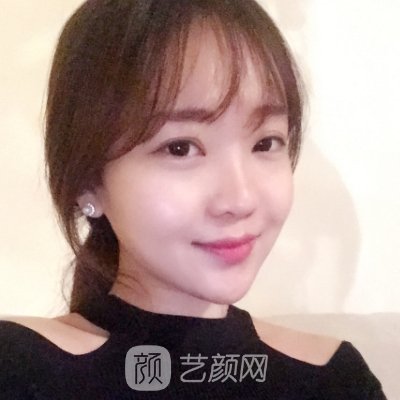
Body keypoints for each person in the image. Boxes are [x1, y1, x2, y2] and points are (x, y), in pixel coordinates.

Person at [0, 0, 387, 398]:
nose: (240, 199)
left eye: (265, 142)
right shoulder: (19, 368)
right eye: (180, 148)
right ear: (88, 182)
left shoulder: (335, 380)